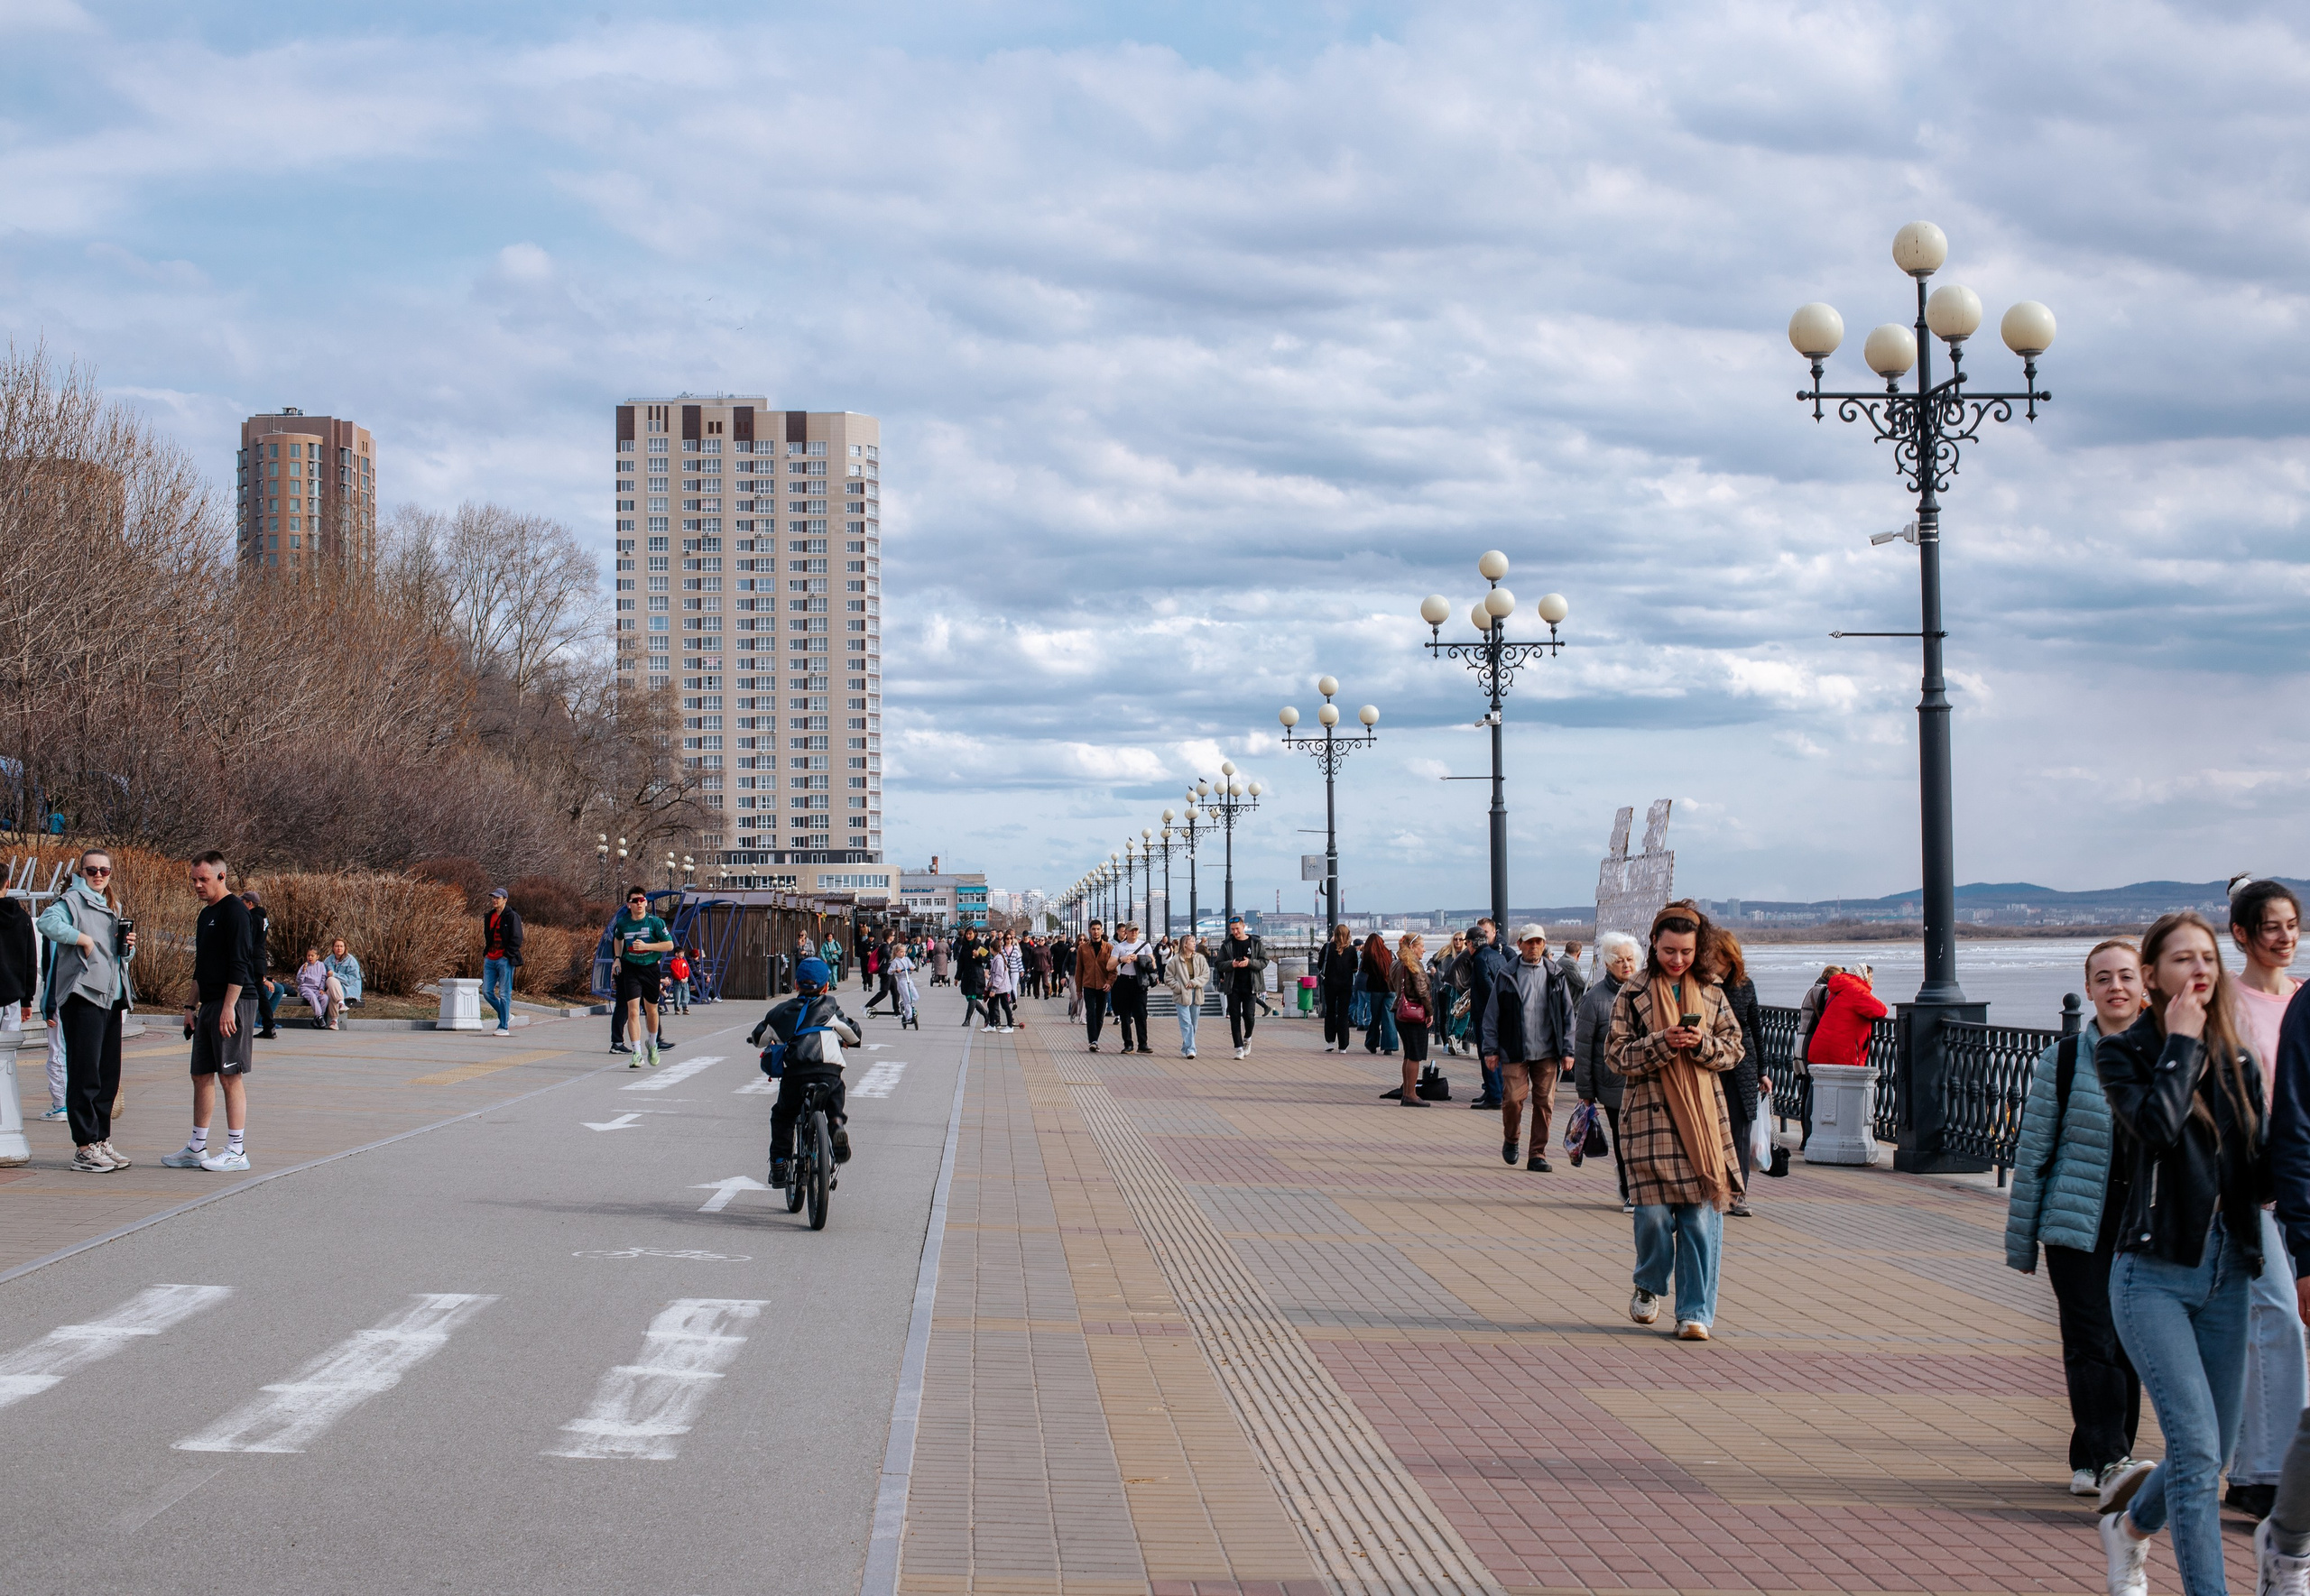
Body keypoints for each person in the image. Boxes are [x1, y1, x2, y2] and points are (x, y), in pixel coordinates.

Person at [2096, 911, 2269, 1596]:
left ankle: (2130, 1525)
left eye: (2207, 957)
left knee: (2213, 1454)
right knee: (2196, 1454)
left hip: (2229, 1270)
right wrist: (2182, 1045)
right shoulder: (2124, 1054)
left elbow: (2258, 1180)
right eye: (2181, 959)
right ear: (2151, 977)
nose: (2199, 969)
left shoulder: (2239, 1062)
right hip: (2153, 1275)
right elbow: (2157, 1129)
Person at [2003, 939, 2147, 1502]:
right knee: (2090, 1341)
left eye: (2126, 976)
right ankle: (2110, 1457)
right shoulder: (2062, 1060)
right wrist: (2022, 1242)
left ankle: (2106, 1452)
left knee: (2130, 1343)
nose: (2116, 987)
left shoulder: (2167, 1057)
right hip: (2076, 1223)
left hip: (2144, 1226)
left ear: (2145, 986)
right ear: (2088, 990)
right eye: (2104, 978)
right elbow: (2034, 1153)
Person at [1605, 900, 1743, 1342]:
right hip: (1649, 1122)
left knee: (1699, 1221)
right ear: (1653, 945)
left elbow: (1733, 1050)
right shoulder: (1634, 992)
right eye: (1669, 951)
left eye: (1685, 951)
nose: (1678, 960)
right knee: (1651, 1216)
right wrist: (1661, 1042)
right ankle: (1648, 1284)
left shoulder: (1712, 993)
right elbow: (1616, 1056)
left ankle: (1694, 1313)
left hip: (1702, 1123)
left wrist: (1702, 1044)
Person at [2222, 875, 2305, 1521]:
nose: (2285, 937)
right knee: (2271, 1316)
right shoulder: (2229, 1001)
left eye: (2293, 924)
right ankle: (2265, 1470)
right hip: (2249, 1178)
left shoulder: (2303, 1001)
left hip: (2297, 1172)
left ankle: (2257, 1467)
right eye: (2271, 925)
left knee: (2270, 1323)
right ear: (2242, 933)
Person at [36, 849, 137, 1173]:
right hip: (84, 995)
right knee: (85, 1072)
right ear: (82, 871)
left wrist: (128, 950)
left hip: (112, 996)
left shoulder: (112, 904)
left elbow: (117, 956)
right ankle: (84, 1145)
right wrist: (82, 939)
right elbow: (47, 924)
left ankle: (101, 1138)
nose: (98, 875)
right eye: (92, 869)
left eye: (104, 870)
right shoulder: (72, 901)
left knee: (108, 1074)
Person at [163, 851, 259, 1174]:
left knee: (229, 1076)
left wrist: (229, 1008)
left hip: (234, 1001)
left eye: (203, 879)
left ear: (221, 876)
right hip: (209, 1004)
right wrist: (191, 1006)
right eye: (193, 879)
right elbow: (200, 967)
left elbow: (240, 963)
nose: (197, 885)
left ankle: (236, 1150)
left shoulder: (235, 912)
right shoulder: (206, 915)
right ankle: (196, 1147)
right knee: (200, 1074)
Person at [749, 956, 859, 1186]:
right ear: (826, 986)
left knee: (783, 1115)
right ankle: (836, 1124)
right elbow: (853, 1034)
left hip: (796, 1072)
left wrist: (756, 1039)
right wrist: (850, 1039)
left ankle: (779, 1163)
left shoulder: (780, 1012)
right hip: (828, 1068)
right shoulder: (830, 1006)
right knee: (835, 1092)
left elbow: (760, 1038)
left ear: (796, 984)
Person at [1482, 924, 1575, 1170]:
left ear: (1544, 945)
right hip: (1514, 1050)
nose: (1534, 947)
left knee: (1544, 1103)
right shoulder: (1506, 975)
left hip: (1547, 1052)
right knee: (1512, 1099)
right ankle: (1511, 1139)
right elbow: (1492, 1016)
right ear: (1520, 944)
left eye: (1539, 942)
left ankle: (1537, 1154)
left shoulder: (1556, 974)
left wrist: (1568, 1050)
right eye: (1529, 942)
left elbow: (1567, 1015)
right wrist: (1490, 1050)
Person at [1574, 932, 1640, 1212]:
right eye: (1619, 960)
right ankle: (1629, 1191)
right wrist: (1585, 1092)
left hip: (1645, 1080)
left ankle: (1644, 1189)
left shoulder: (1648, 992)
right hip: (1613, 1086)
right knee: (1624, 1138)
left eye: (1630, 959)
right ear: (1608, 964)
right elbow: (1583, 1048)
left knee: (1645, 1140)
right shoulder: (1594, 999)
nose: (1626, 965)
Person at [1709, 928, 1767, 1216]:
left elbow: (1756, 1029)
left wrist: (1763, 1072)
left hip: (1744, 1065)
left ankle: (1738, 1193)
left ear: (1730, 959)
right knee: (1714, 1129)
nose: (1711, 963)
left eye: (1717, 958)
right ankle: (1715, 1189)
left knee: (1741, 1130)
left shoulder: (1745, 986)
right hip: (1712, 1062)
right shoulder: (1704, 986)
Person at [611, 887, 675, 1068]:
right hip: (631, 968)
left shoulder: (655, 922)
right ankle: (636, 1053)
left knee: (651, 1010)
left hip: (650, 969)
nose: (639, 904)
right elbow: (618, 938)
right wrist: (617, 958)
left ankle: (652, 1044)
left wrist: (647, 946)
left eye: (642, 900)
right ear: (628, 904)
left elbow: (669, 944)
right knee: (632, 1011)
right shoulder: (623, 923)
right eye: (635, 901)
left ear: (646, 902)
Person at [1462, 918, 1508, 1108]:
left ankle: (1494, 1095)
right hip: (1500, 1014)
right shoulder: (1499, 956)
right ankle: (1493, 1091)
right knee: (1496, 1054)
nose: (1467, 947)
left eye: (1467, 943)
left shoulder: (1480, 960)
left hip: (1485, 1016)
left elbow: (1488, 988)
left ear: (1472, 943)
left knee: (1487, 1054)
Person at [1806, 965, 1886, 1070]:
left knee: (1822, 1085)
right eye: (1871, 977)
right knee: (1844, 1085)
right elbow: (1881, 1010)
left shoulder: (1839, 989)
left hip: (1822, 1049)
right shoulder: (1856, 990)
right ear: (1864, 978)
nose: (1873, 981)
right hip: (1841, 1055)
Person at [1391, 932, 1435, 1109]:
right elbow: (1422, 990)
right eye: (1421, 946)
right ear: (1412, 947)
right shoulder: (1413, 964)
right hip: (1413, 1014)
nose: (1424, 950)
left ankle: (1407, 1092)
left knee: (1408, 1054)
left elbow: (1390, 985)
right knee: (1415, 1056)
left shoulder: (1396, 963)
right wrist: (1430, 1012)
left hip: (1400, 1013)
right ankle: (1411, 1094)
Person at [1216, 915, 1268, 1061]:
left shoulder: (1255, 943)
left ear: (1243, 926)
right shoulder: (1227, 944)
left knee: (1249, 1015)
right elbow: (1219, 964)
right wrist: (1231, 964)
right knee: (1234, 1017)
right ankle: (1238, 1048)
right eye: (1232, 930)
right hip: (1233, 986)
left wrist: (1249, 963)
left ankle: (1248, 1038)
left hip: (1251, 985)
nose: (1235, 932)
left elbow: (1264, 961)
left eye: (1237, 929)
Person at [479, 886, 523, 1038]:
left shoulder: (512, 916)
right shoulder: (489, 916)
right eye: (493, 897)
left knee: (504, 993)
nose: (494, 900)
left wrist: (507, 955)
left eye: (497, 898)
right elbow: (488, 937)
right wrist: (487, 954)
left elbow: (517, 938)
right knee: (486, 991)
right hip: (490, 959)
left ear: (505, 900)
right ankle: (505, 1014)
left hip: (504, 959)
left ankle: (503, 1026)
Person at [1316, 923, 1358, 1053]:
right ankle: (1343, 1046)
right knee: (1343, 1014)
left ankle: (1330, 1041)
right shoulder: (1351, 950)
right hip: (1345, 985)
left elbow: (1319, 965)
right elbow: (1355, 968)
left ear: (1335, 934)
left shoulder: (1327, 947)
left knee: (1330, 1012)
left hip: (1330, 984)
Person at [241, 889, 277, 1039]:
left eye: (243, 902)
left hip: (253, 960)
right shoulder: (263, 918)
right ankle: (269, 1026)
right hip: (260, 959)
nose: (241, 904)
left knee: (257, 995)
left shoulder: (253, 918)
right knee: (260, 994)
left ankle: (268, 1026)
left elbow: (249, 940)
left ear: (250, 903)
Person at [1076, 919, 1118, 1051]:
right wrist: (1078, 989)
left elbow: (1113, 970)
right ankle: (1092, 1041)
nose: (1095, 932)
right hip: (1088, 985)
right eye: (1093, 929)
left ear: (1102, 930)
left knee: (1100, 1015)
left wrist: (1109, 983)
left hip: (1103, 985)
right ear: (1090, 930)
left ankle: (1095, 1039)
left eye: (1098, 929)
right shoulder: (1083, 948)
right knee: (1090, 1013)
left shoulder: (1108, 948)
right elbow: (1079, 970)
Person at [1166, 932, 1210, 1057]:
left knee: (1194, 1023)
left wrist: (1195, 982)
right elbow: (1168, 977)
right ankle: (1191, 1049)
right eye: (1192, 941)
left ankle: (1186, 1046)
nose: (1195, 943)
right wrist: (1179, 987)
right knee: (1186, 1022)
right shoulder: (1175, 960)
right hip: (1182, 994)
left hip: (1196, 993)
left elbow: (1206, 975)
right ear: (1185, 944)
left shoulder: (1199, 958)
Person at [1110, 923, 1151, 1054]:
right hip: (1124, 981)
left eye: (1136, 930)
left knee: (1141, 1014)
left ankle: (1143, 1044)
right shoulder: (1119, 947)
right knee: (1125, 1015)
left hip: (1139, 983)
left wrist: (1138, 958)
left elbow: (1152, 963)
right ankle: (1128, 1044)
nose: (1133, 933)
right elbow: (1109, 965)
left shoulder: (1145, 945)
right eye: (1131, 930)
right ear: (1125, 932)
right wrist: (1121, 959)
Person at [1360, 933, 1398, 1056]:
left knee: (1375, 1018)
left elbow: (1364, 970)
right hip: (1391, 989)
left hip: (1376, 990)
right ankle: (1389, 1047)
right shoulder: (1389, 953)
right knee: (1389, 1017)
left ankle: (1372, 1043)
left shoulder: (1369, 956)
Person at [296, 946, 348, 1030]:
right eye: (308, 956)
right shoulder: (304, 966)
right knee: (312, 997)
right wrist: (303, 972)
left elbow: (323, 978)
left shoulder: (321, 965)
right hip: (305, 988)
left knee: (325, 998)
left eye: (312, 956)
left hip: (316, 989)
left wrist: (321, 989)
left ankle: (317, 1019)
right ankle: (320, 1017)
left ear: (317, 957)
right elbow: (299, 981)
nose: (310, 958)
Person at [983, 932, 1017, 1033]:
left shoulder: (999, 960)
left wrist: (993, 988)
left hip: (1001, 988)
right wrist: (990, 982)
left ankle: (1010, 1026)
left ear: (992, 949)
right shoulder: (996, 958)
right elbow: (994, 974)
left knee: (1005, 1005)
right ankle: (992, 1025)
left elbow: (999, 976)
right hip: (999, 987)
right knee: (991, 1005)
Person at [324, 937, 364, 1013]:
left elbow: (350, 980)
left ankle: (333, 1020)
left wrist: (335, 975)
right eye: (337, 946)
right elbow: (322, 976)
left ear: (345, 948)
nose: (339, 948)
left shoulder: (351, 961)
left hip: (349, 988)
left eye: (341, 946)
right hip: (334, 987)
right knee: (330, 983)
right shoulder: (328, 960)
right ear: (333, 948)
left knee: (331, 989)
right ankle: (341, 1005)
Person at [1556, 939, 1589, 1007]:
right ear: (1579, 953)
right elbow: (1582, 983)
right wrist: (1596, 985)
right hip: (1569, 1003)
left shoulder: (1561, 960)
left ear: (1565, 950)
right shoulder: (1570, 964)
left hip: (1562, 1000)